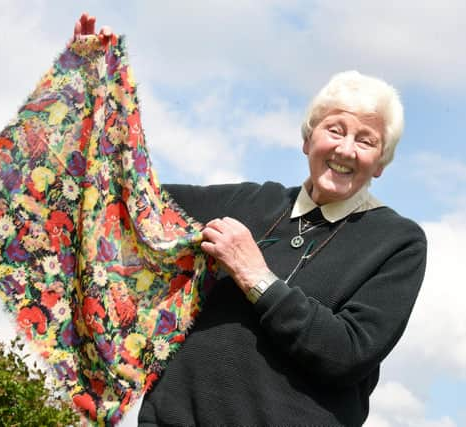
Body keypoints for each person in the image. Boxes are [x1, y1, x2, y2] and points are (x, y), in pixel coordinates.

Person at [74, 13, 427, 427]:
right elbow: (130, 197)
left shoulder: (398, 242)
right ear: (307, 139)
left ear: (380, 164)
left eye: (366, 141)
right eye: (335, 129)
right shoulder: (249, 200)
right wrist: (91, 91)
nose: (346, 149)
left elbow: (346, 354)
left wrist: (255, 275)